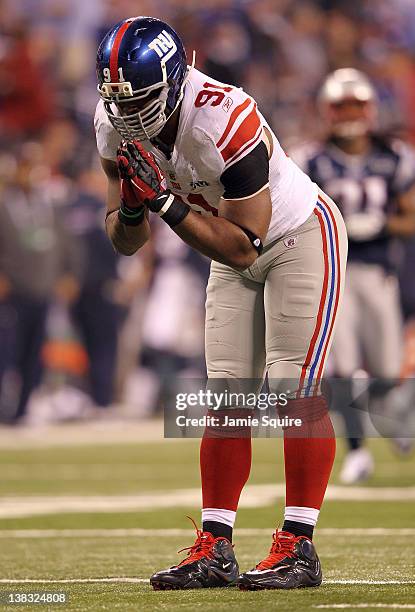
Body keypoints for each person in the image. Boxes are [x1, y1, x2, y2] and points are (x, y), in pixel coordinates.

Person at [94, 16, 347, 591]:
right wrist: (135, 206)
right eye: (119, 101)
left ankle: (298, 546)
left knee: (291, 389)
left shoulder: (224, 117)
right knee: (225, 397)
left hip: (296, 234)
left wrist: (164, 202)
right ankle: (216, 545)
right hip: (222, 238)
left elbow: (243, 246)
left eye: (141, 100)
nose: (128, 116)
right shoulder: (111, 123)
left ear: (175, 79)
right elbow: (124, 240)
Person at [291, 68, 415, 483]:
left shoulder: (395, 155)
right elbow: (292, 215)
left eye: (355, 105)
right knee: (341, 366)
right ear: (327, 110)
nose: (348, 113)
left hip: (379, 272)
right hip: (333, 272)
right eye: (340, 105)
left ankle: (390, 416)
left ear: (369, 109)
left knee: (385, 369)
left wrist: (379, 225)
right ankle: (358, 451)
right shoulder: (308, 159)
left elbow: (412, 216)